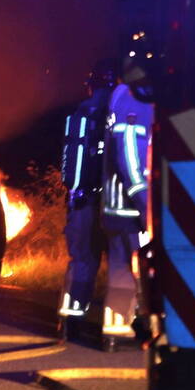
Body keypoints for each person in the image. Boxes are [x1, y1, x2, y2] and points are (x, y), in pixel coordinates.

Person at [58, 60, 115, 343]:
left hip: (85, 201)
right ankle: (116, 332)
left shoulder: (82, 113)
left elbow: (72, 163)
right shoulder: (125, 112)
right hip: (120, 204)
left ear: (91, 85)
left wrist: (75, 191)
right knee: (121, 267)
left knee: (82, 261)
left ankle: (71, 323)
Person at [98, 66, 154, 347]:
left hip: (115, 207)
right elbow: (130, 154)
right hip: (132, 207)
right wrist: (145, 202)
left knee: (121, 269)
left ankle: (115, 331)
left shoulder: (118, 99)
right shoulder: (135, 101)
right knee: (136, 270)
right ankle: (133, 328)